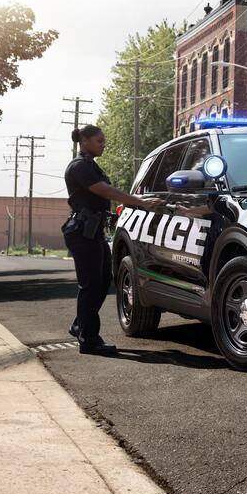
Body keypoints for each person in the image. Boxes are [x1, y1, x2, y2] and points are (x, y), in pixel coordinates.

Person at [64, 125, 164, 354]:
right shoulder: (79, 167)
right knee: (90, 285)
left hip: (94, 231)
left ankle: (81, 324)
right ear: (85, 141)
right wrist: (139, 202)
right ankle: (89, 340)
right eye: (99, 141)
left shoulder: (91, 166)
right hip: (82, 232)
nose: (103, 145)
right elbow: (105, 191)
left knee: (103, 281)